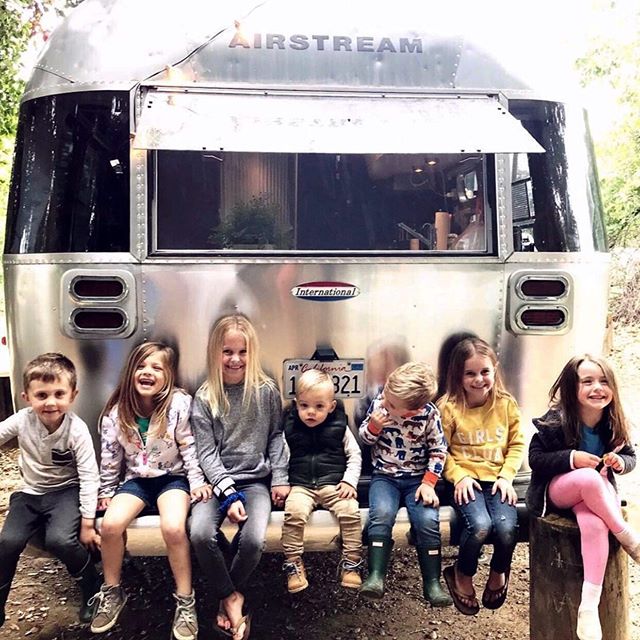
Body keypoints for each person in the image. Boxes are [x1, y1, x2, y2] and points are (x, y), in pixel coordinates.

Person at [90, 342, 211, 640]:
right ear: (130, 372)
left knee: (173, 528)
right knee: (110, 526)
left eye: (157, 367)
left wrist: (197, 481)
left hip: (173, 479)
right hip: (137, 481)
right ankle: (112, 591)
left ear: (168, 376)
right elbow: (110, 457)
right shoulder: (117, 413)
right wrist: (106, 490)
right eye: (141, 366)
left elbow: (189, 447)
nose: (148, 372)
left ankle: (185, 600)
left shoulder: (179, 404)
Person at [189, 314, 289, 640]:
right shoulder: (205, 397)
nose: (235, 359)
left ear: (252, 352)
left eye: (242, 352)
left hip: (256, 481)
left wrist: (279, 477)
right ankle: (233, 598)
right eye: (227, 351)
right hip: (217, 483)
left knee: (254, 541)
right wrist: (229, 493)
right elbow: (206, 454)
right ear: (215, 353)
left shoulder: (265, 391)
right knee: (200, 534)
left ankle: (226, 597)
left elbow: (276, 436)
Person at [526, 355, 637, 640]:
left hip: (594, 497)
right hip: (560, 490)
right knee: (588, 478)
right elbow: (535, 459)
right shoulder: (555, 422)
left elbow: (630, 457)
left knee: (595, 525)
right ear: (570, 387)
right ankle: (627, 537)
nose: (597, 388)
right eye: (587, 381)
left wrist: (619, 463)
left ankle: (588, 608)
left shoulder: (612, 422)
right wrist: (571, 458)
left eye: (604, 381)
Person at [0, 353, 101, 627]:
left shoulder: (76, 430)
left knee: (60, 540)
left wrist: (88, 523)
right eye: (41, 395)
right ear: (26, 397)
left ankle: (92, 587)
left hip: (65, 492)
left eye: (59, 394)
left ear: (73, 395)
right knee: (8, 542)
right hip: (30, 493)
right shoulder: (22, 420)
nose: (51, 402)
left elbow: (89, 475)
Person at [439, 337, 525, 615]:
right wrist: (458, 476)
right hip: (465, 482)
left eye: (485, 371)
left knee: (506, 529)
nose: (479, 379)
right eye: (470, 373)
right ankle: (461, 573)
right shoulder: (449, 407)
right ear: (458, 375)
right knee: (479, 526)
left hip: (498, 480)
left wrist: (507, 476)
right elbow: (440, 450)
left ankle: (499, 571)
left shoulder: (506, 404)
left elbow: (517, 444)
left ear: (494, 369)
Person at [358, 362, 452, 606]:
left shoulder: (429, 415)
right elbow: (365, 438)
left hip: (418, 480)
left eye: (391, 404)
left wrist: (429, 483)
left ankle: (432, 583)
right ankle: (376, 576)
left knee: (427, 520)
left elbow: (439, 451)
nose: (384, 403)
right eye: (385, 396)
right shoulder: (380, 404)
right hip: (384, 476)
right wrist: (374, 426)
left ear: (412, 411)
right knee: (381, 514)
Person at [281, 369, 363, 592]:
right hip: (301, 485)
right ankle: (293, 564)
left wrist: (349, 481)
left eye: (319, 406)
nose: (311, 412)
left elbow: (354, 454)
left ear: (331, 406)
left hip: (333, 484)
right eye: (304, 405)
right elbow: (280, 458)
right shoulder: (289, 428)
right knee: (294, 514)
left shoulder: (339, 426)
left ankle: (352, 563)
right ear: (296, 404)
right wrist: (280, 483)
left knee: (350, 511)